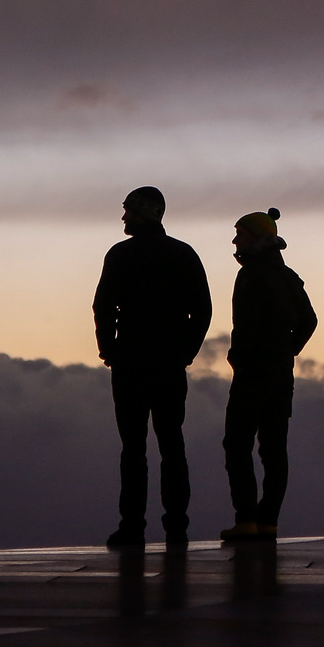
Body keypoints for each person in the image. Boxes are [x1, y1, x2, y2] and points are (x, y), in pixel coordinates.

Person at [92, 186, 212, 549]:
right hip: (168, 365)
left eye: (128, 210)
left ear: (144, 212)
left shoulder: (120, 255)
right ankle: (176, 527)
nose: (124, 217)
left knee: (133, 449)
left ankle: (133, 528)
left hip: (130, 363)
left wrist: (109, 348)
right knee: (172, 445)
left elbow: (103, 306)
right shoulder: (183, 254)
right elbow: (202, 311)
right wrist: (185, 352)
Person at [220, 207, 317, 542]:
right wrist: (286, 351)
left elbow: (246, 327)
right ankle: (269, 521)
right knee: (274, 450)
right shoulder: (289, 278)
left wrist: (241, 358)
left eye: (240, 234)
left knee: (237, 445)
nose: (234, 240)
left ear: (257, 238)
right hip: (280, 377)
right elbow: (310, 321)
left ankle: (246, 520)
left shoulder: (250, 275)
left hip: (251, 375)